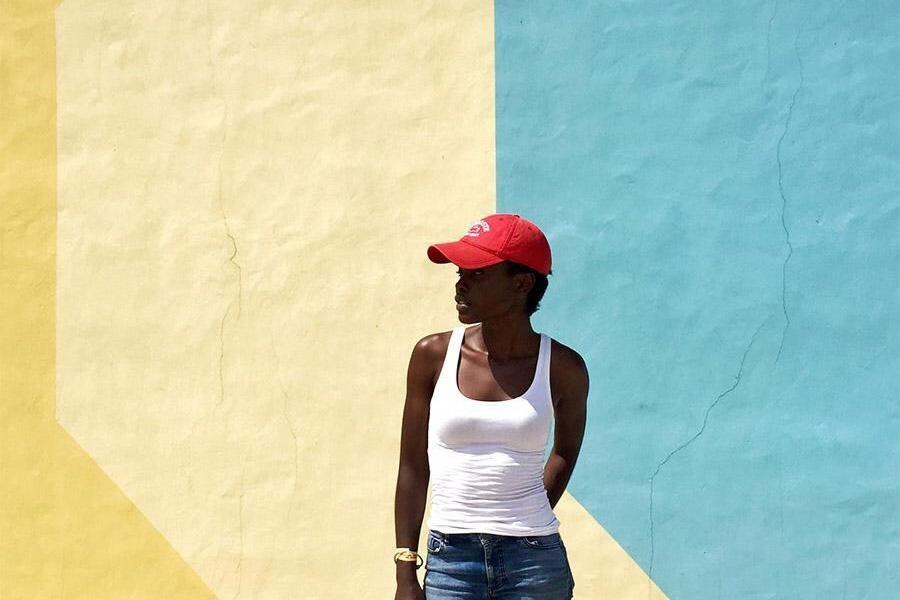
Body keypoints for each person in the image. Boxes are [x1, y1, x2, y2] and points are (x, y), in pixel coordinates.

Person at [393, 213, 589, 599]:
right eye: (460, 272)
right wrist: (405, 571)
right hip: (450, 561)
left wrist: (522, 513)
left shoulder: (563, 367)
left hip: (534, 563)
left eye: (478, 273)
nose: (460, 283)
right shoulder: (432, 355)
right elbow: (413, 465)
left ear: (522, 283)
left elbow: (565, 452)